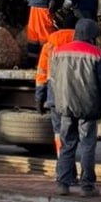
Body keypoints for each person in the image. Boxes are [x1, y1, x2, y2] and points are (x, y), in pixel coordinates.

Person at [49, 18, 101, 198]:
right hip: (88, 108)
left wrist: (54, 104)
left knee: (67, 145)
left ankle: (63, 184)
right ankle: (87, 187)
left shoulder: (58, 53)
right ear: (92, 37)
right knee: (87, 145)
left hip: (65, 107)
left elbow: (53, 81)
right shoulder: (97, 54)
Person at [34, 8, 78, 157]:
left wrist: (39, 99)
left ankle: (62, 159)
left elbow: (41, 74)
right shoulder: (82, 43)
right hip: (76, 94)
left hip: (55, 94)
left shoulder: (50, 45)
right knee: (74, 129)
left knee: (59, 130)